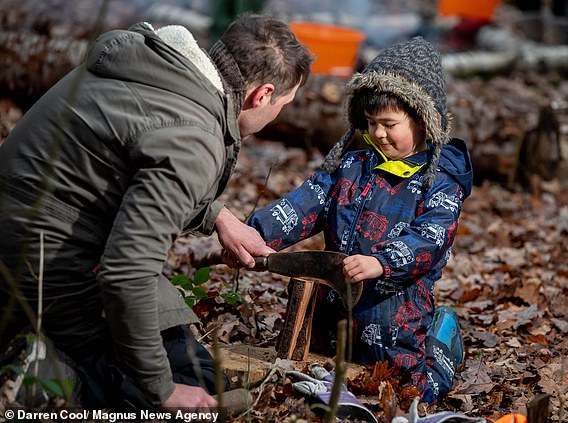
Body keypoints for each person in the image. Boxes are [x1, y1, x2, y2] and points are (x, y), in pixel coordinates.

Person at [0, 14, 312, 411]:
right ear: (262, 94)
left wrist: (218, 215)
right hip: (41, 264)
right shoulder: (194, 137)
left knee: (189, 361)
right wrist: (162, 391)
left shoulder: (156, 68)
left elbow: (127, 168)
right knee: (187, 387)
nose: (279, 115)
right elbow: (127, 273)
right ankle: (42, 379)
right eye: (284, 104)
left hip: (28, 229)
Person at [248, 36, 473, 403]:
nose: (378, 134)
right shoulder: (352, 165)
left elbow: (431, 238)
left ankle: (443, 342)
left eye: (389, 123)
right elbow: (307, 203)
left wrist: (381, 262)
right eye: (371, 123)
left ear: (422, 121)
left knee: (413, 389)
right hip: (334, 305)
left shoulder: (439, 181)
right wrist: (255, 233)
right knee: (323, 365)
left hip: (395, 312)